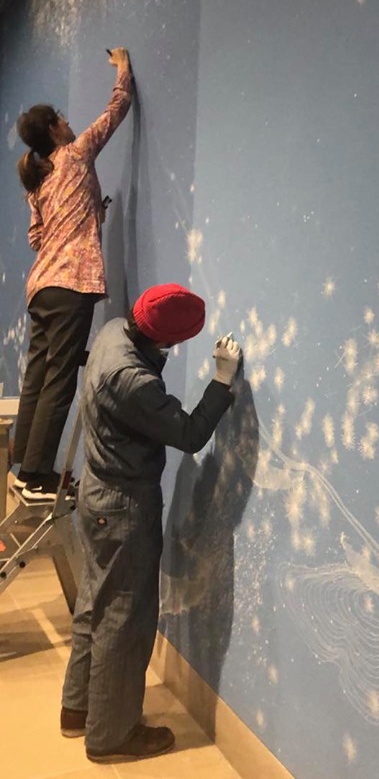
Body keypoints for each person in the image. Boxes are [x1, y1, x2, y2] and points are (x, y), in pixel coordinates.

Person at [61, 282, 241, 764]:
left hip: (97, 495)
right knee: (125, 617)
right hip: (124, 507)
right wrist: (221, 381)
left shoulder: (112, 335)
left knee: (95, 602)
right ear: (167, 339)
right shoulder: (134, 381)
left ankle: (78, 708)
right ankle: (111, 734)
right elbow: (189, 433)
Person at [12, 48, 133, 501]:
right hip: (69, 285)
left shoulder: (39, 184)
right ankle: (37, 477)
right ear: (53, 128)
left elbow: (36, 238)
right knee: (59, 378)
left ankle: (23, 468)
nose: (68, 123)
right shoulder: (76, 154)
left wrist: (84, 216)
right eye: (61, 119)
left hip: (41, 287)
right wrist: (122, 67)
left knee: (37, 376)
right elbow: (116, 109)